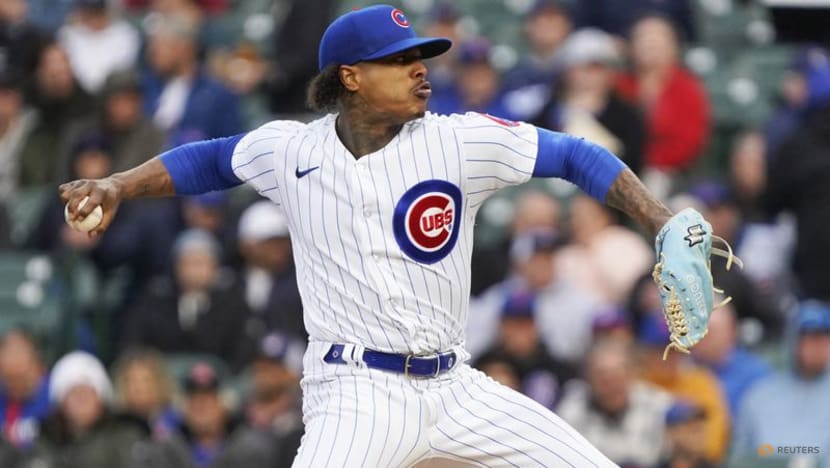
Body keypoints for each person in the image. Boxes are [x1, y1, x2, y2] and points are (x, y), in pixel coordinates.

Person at [60, 5, 713, 466]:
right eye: (398, 61)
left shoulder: (459, 142)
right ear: (351, 76)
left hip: (456, 385)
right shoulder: (290, 150)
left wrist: (659, 220)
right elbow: (203, 161)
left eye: (421, 57)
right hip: (355, 394)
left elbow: (575, 154)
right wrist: (118, 185)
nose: (420, 69)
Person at [731, 301, 830, 465]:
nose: (818, 347)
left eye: (824, 338)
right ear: (794, 342)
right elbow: (741, 456)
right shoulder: (760, 395)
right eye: (810, 338)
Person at [557, 339, 674, 467]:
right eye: (602, 376)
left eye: (617, 375)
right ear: (589, 379)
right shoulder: (570, 413)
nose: (611, 384)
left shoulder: (659, 405)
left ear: (631, 375)